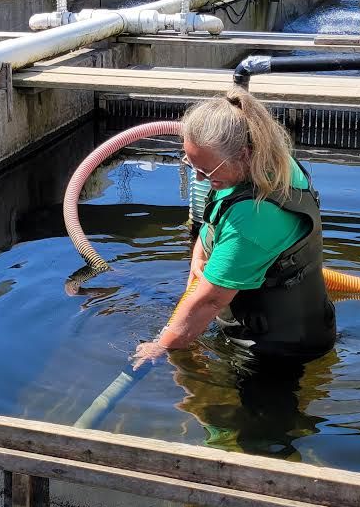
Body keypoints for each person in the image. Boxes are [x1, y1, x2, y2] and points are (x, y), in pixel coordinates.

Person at [132, 88, 336, 368]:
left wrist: (161, 346)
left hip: (281, 347)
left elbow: (210, 300)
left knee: (245, 411)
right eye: (193, 166)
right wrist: (199, 255)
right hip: (271, 321)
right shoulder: (264, 159)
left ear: (243, 154)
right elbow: (216, 219)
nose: (200, 177)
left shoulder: (254, 218)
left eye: (208, 172)